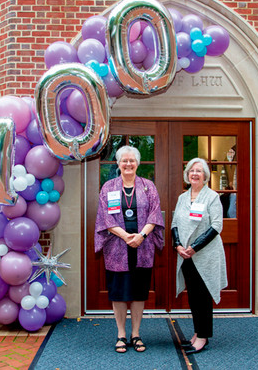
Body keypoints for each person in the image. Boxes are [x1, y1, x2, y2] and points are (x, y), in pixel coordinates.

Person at [95, 145, 164, 353]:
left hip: (142, 248)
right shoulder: (108, 187)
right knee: (118, 293)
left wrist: (141, 236)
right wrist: (125, 236)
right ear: (118, 163)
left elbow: (155, 214)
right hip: (117, 247)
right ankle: (121, 335)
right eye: (124, 160)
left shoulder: (148, 186)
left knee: (139, 292)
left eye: (131, 160)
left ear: (137, 163)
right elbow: (104, 216)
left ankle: (136, 334)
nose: (128, 164)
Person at [171, 157, 227, 354]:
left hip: (205, 255)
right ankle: (197, 332)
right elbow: (174, 224)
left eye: (199, 171)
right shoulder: (182, 198)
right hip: (185, 256)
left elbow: (217, 226)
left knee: (203, 296)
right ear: (187, 175)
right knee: (194, 297)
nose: (195, 174)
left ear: (205, 176)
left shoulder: (212, 197)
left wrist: (194, 247)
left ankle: (203, 336)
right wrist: (178, 245)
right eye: (191, 170)